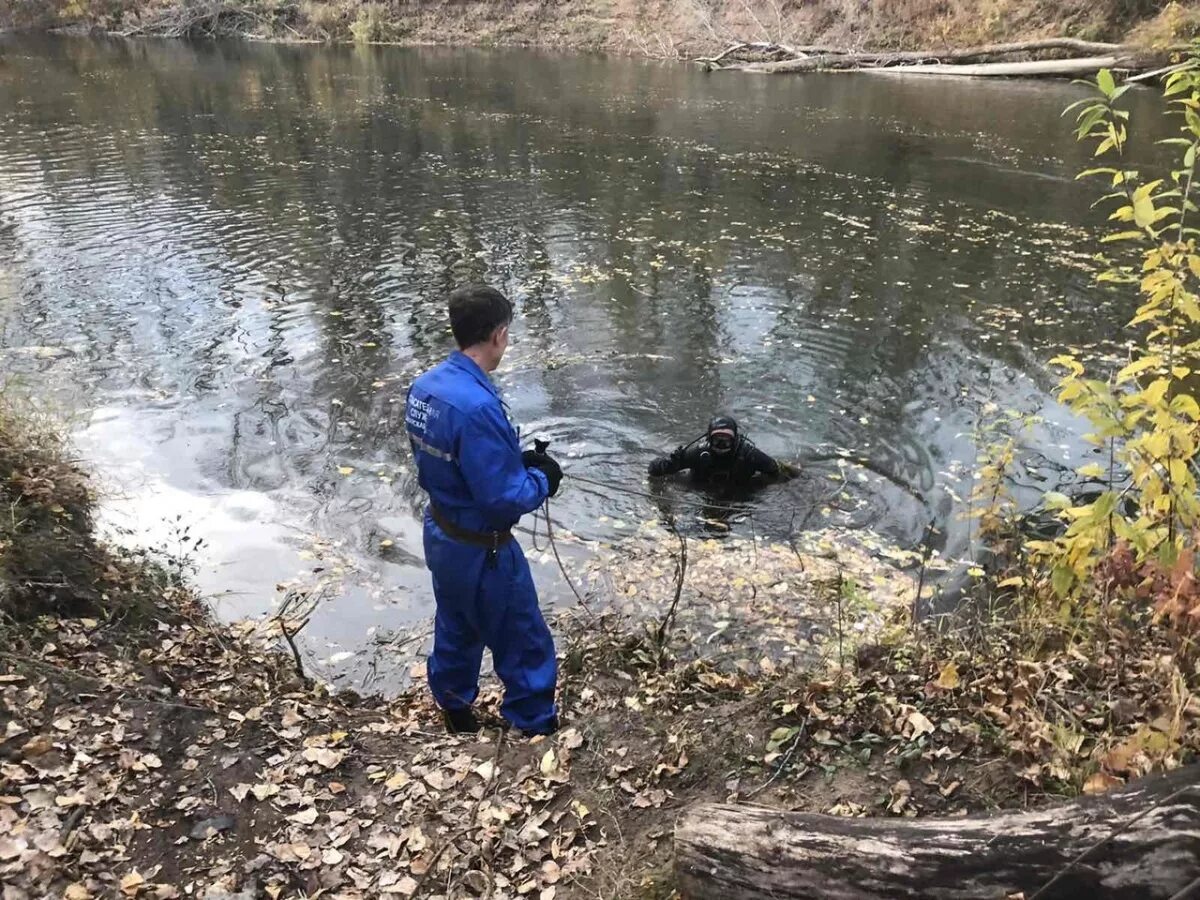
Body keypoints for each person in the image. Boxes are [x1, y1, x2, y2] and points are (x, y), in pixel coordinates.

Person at [404, 283, 563, 736]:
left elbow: (453, 460)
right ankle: (535, 728)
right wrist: (542, 479)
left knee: (456, 624)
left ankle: (455, 713)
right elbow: (504, 499)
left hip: (441, 532)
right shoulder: (476, 406)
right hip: (484, 548)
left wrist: (514, 461)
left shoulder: (425, 387)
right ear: (499, 335)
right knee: (522, 636)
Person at [648, 415, 782, 484]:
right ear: (708, 440)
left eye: (726, 441)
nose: (721, 445)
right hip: (702, 490)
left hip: (739, 495)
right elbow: (654, 470)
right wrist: (669, 462)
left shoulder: (749, 454)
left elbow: (776, 471)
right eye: (717, 441)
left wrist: (758, 485)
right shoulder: (698, 452)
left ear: (735, 440)